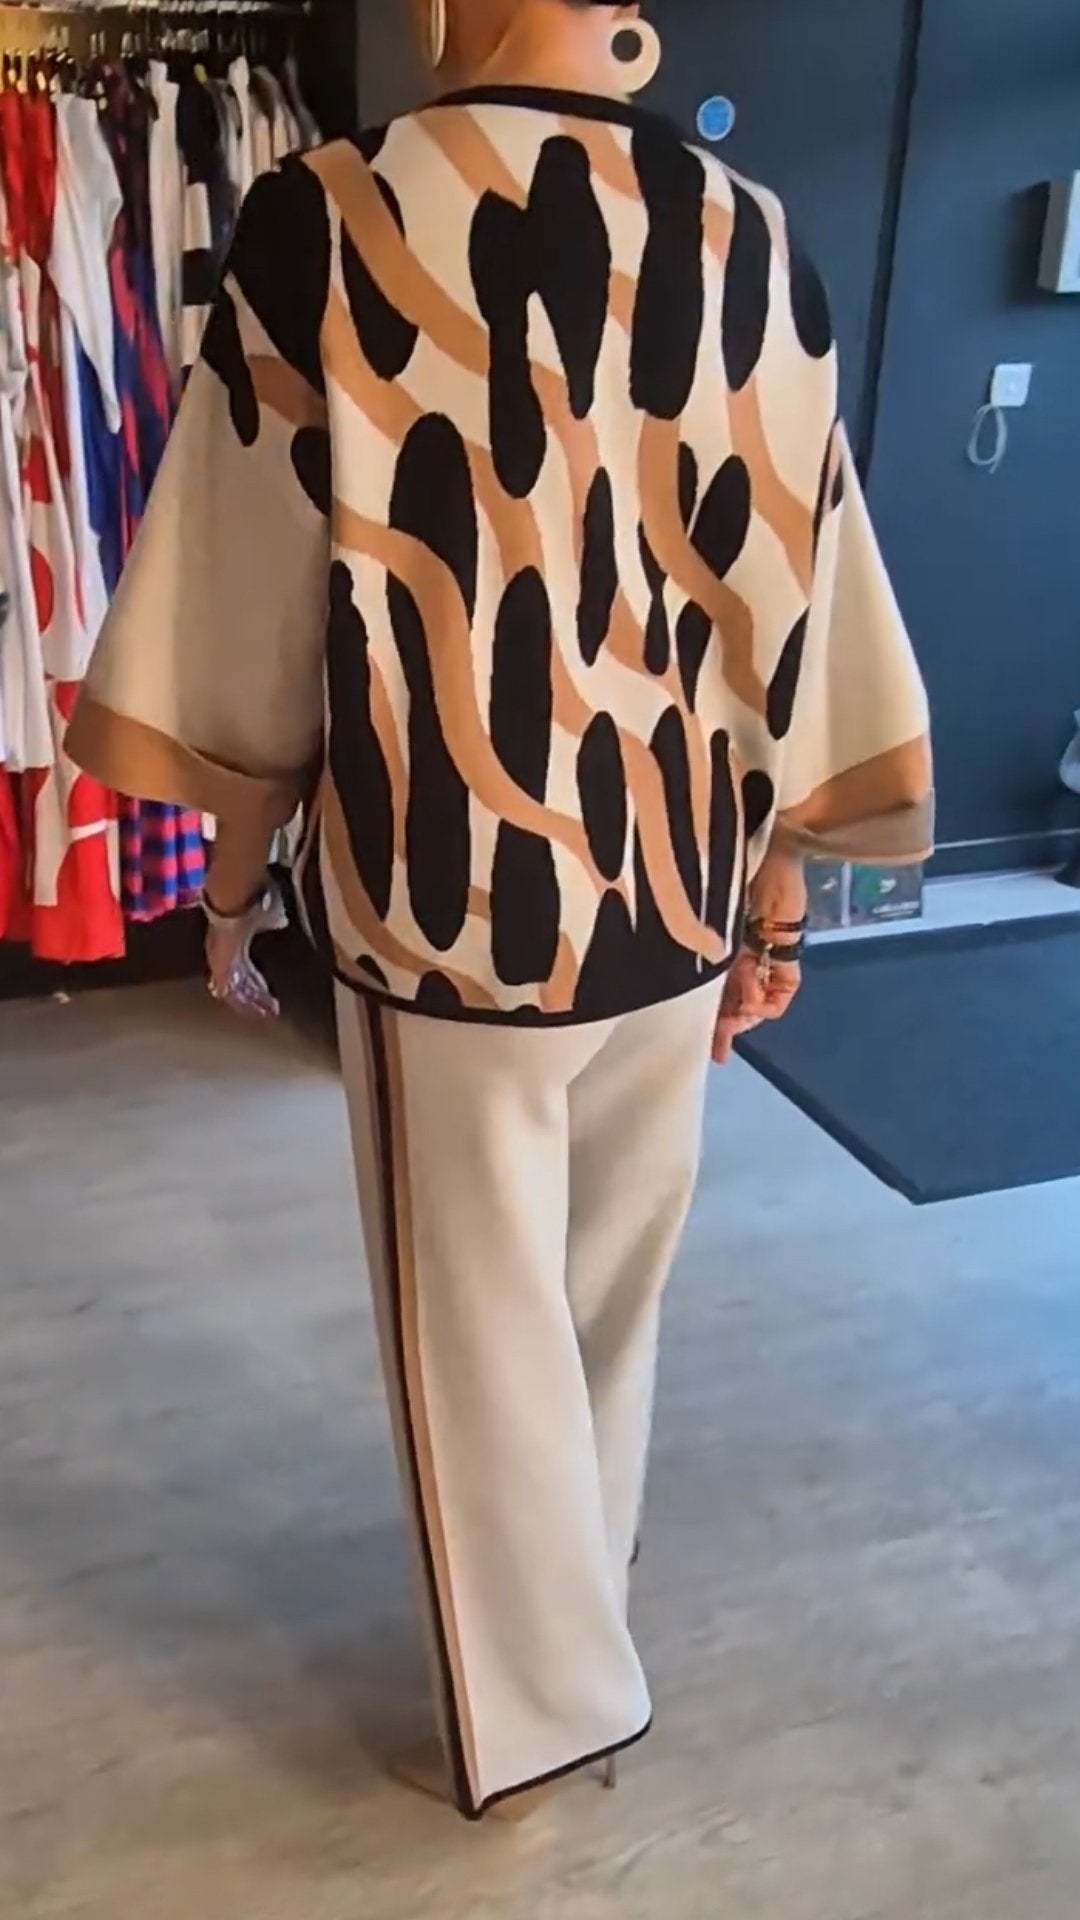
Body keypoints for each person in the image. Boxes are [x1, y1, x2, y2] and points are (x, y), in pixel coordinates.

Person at [68, 0, 932, 1823]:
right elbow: (800, 582)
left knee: (475, 1337)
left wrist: (233, 883)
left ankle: (541, 1721)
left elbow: (252, 604)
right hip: (673, 889)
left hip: (445, 898)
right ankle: (574, 1637)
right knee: (608, 1299)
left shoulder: (335, 218)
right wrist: (776, 903)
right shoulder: (748, 233)